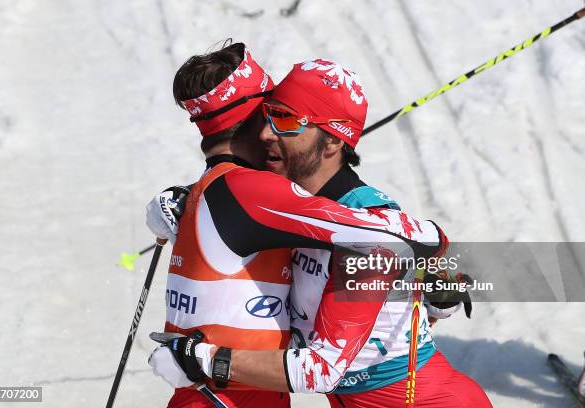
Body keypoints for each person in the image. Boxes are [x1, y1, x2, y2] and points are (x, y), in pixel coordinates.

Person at [146, 42, 448, 408]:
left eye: (285, 118)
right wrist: (430, 241)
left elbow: (341, 356)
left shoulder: (251, 199)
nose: (269, 133)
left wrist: (433, 282)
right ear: (252, 116)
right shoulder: (253, 196)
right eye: (270, 112)